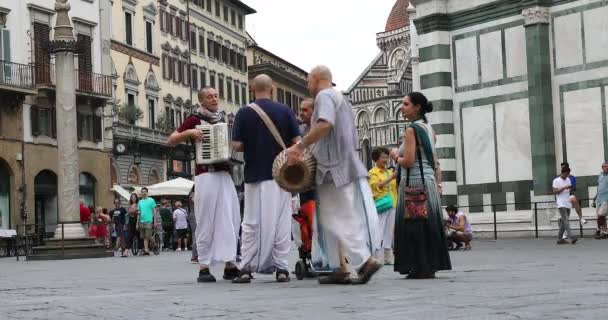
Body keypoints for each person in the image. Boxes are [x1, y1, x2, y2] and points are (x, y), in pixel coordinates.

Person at [286, 66, 382, 285]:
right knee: (332, 217)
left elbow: (325, 124)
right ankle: (339, 267)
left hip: (332, 168)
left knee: (337, 216)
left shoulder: (325, 96)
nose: (308, 86)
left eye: (308, 82)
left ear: (317, 79)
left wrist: (300, 146)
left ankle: (364, 261)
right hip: (342, 165)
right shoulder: (341, 98)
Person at [231, 74, 301, 284]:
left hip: (254, 173)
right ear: (273, 88)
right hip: (282, 175)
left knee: (251, 222)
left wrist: (252, 144)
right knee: (281, 222)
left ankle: (246, 268)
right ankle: (281, 268)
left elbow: (236, 145)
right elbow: (297, 142)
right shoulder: (285, 111)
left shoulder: (244, 112)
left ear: (252, 88)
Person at [168, 87, 241, 282]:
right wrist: (190, 132)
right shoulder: (194, 119)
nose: (214, 99)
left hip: (224, 174)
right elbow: (172, 139)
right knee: (206, 219)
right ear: (201, 100)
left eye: (216, 95)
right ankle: (204, 267)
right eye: (210, 96)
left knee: (230, 218)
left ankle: (230, 264)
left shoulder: (222, 120)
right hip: (205, 174)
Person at [389, 91, 452, 279]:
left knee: (414, 224)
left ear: (417, 107)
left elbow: (408, 161)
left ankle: (418, 265)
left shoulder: (411, 130)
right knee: (428, 224)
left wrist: (395, 156)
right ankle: (429, 264)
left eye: (406, 104)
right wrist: (439, 184)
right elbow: (434, 160)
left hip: (414, 182)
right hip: (429, 182)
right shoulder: (429, 129)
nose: (402, 107)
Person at [368, 147, 397, 265]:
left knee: (389, 231)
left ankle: (388, 257)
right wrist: (391, 178)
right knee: (379, 230)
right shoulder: (372, 172)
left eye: (387, 157)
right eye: (383, 157)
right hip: (381, 204)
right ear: (376, 159)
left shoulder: (389, 171)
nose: (386, 160)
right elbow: (376, 186)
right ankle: (377, 257)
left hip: (392, 204)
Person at [553, 167, 578, 245]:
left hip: (567, 202)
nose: (567, 176)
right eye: (567, 174)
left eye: (568, 174)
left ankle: (559, 239)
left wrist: (570, 188)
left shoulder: (568, 179)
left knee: (564, 222)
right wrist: (564, 187)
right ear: (563, 173)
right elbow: (555, 191)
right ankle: (571, 237)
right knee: (566, 220)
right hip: (561, 203)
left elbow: (570, 190)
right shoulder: (556, 180)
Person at [136, 187, 158, 255]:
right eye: (143, 192)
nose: (144, 193)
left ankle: (154, 244)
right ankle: (146, 250)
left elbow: (154, 211)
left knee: (148, 235)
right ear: (141, 193)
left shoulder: (151, 200)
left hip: (149, 220)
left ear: (147, 192)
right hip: (141, 221)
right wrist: (137, 223)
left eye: (145, 191)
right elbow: (139, 213)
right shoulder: (140, 202)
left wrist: (155, 221)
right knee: (144, 237)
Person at [594, 162, 608, 239]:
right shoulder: (600, 175)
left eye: (607, 166)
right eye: (605, 166)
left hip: (606, 199)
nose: (606, 167)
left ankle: (598, 230)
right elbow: (599, 186)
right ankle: (605, 232)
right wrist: (595, 196)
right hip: (599, 198)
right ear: (602, 167)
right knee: (602, 217)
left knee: (600, 215)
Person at [187, 188, 198, 263]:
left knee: (197, 235)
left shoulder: (193, 194)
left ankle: (196, 255)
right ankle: (194, 256)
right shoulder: (193, 194)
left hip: (195, 215)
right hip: (195, 216)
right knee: (196, 235)